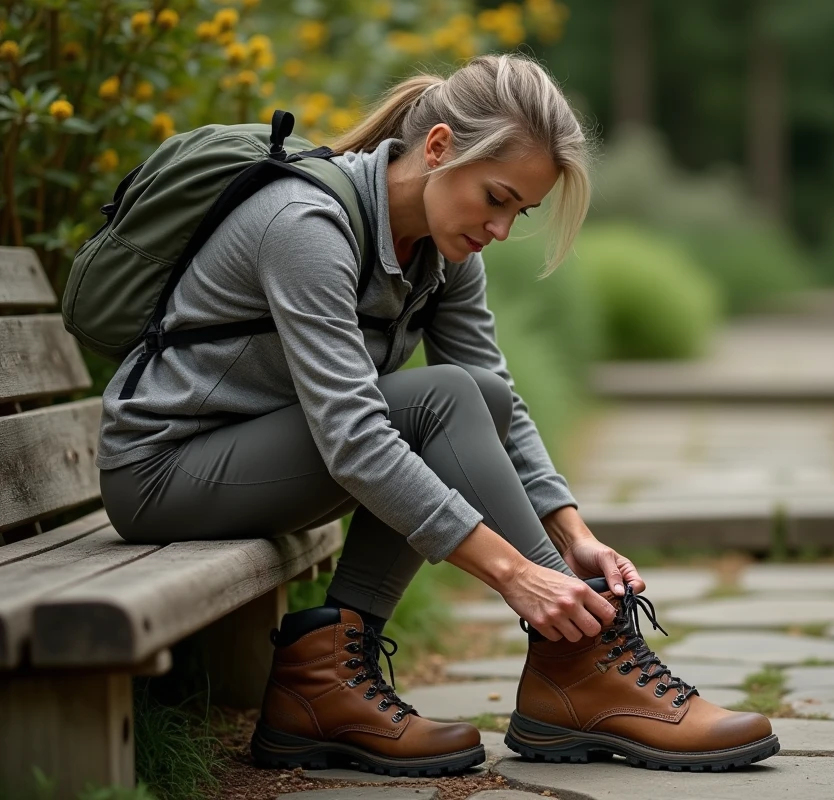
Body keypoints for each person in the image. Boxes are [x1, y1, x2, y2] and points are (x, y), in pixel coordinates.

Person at [95, 53, 778, 776]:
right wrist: (518, 576)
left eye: (521, 211)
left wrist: (571, 534)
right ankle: (578, 660)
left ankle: (328, 685)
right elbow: (356, 440)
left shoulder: (443, 250)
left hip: (256, 457)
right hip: (163, 471)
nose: (502, 228)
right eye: (496, 197)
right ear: (440, 147)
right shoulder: (306, 224)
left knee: (469, 393)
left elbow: (497, 400)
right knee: (437, 402)